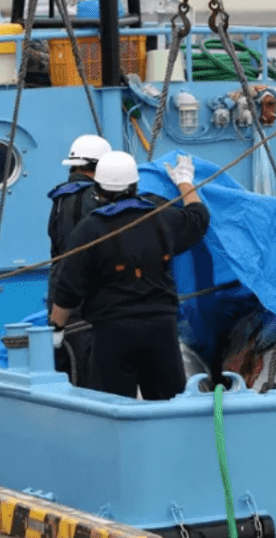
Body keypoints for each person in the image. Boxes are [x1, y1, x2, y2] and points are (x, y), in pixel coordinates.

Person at [49, 151, 210, 400]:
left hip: (113, 334)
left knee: (112, 407)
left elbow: (67, 290)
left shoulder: (90, 228)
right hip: (162, 331)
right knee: (168, 407)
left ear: (98, 189)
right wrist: (184, 181)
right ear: (135, 185)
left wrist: (56, 330)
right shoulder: (162, 218)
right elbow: (199, 217)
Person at [46, 134, 112, 386]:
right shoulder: (94, 199)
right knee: (91, 376)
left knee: (68, 369)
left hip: (60, 299)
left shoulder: (60, 199)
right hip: (85, 304)